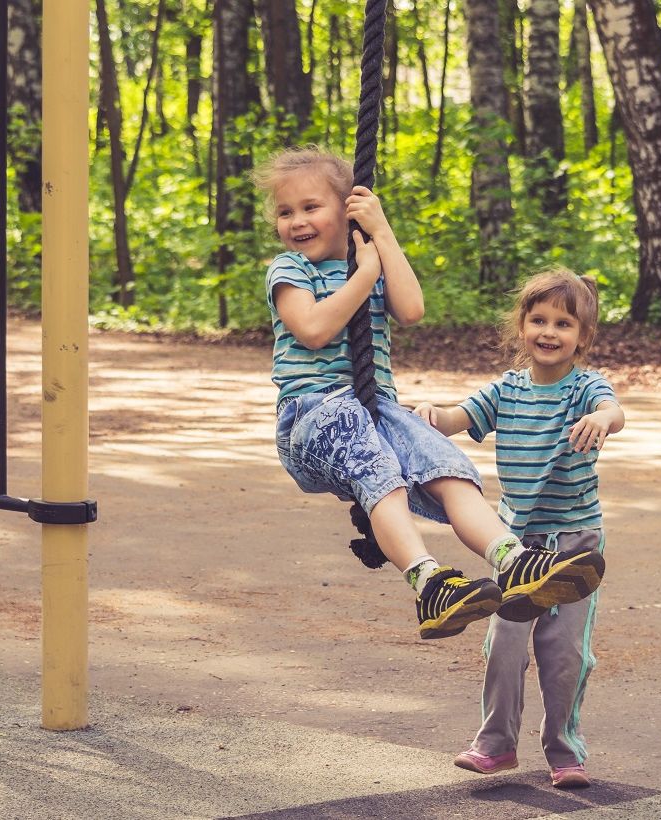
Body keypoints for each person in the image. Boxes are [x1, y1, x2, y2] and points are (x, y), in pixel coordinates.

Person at [253, 146, 605, 641]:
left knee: (447, 466)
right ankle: (428, 581)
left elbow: (412, 308)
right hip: (312, 414)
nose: (297, 221)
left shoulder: (369, 258)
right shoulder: (291, 270)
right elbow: (312, 330)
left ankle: (514, 561)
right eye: (286, 212)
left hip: (374, 409)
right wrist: (365, 276)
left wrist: (382, 235)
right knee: (381, 474)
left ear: (349, 209)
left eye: (311, 207)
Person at [412, 270, 624, 789]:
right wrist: (423, 415)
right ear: (522, 326)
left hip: (575, 546)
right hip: (516, 548)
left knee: (565, 654)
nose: (549, 332)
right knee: (503, 645)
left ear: (583, 337)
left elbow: (613, 410)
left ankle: (564, 749)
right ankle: (495, 744)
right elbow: (455, 418)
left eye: (564, 323)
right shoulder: (506, 389)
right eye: (539, 320)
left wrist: (604, 419)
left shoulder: (585, 389)